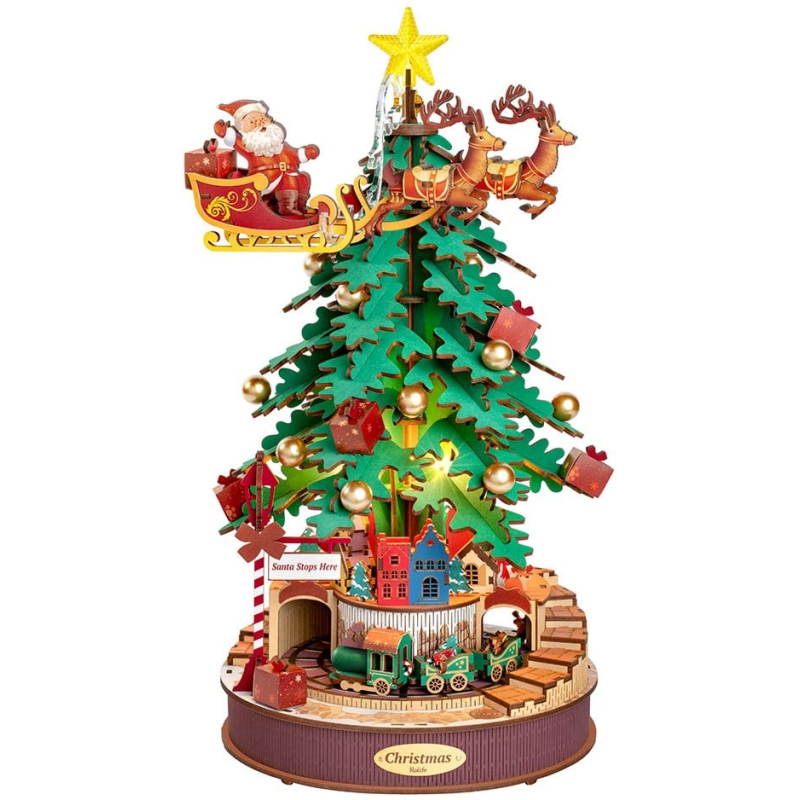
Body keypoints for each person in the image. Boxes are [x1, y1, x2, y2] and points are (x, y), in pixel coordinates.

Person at [214, 99, 319, 216]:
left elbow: (295, 155)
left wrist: (306, 153)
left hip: (284, 176)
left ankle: (299, 207)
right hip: (264, 179)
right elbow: (236, 142)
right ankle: (287, 209)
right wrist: (226, 134)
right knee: (288, 179)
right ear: (243, 128)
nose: (260, 123)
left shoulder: (279, 145)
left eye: (263, 119)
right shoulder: (252, 147)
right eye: (252, 122)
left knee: (302, 178)